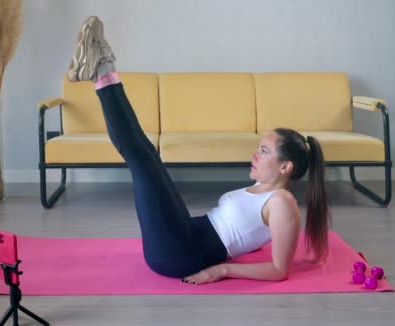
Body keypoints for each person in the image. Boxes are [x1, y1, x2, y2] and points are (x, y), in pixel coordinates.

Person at [67, 16, 330, 284]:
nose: (254, 155)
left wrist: (223, 269)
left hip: (179, 253)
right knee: (145, 151)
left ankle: (101, 70)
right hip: (186, 232)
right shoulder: (264, 191)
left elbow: (279, 270)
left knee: (141, 160)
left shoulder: (282, 203)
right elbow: (249, 231)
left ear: (286, 167)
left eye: (263, 151)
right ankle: (103, 70)